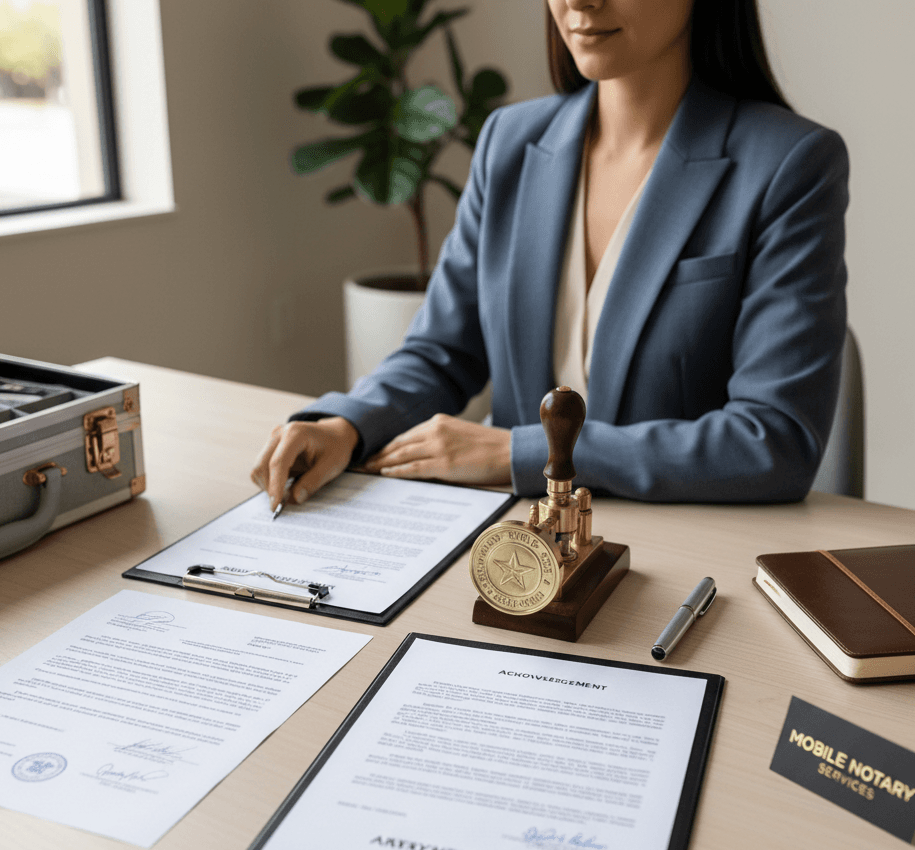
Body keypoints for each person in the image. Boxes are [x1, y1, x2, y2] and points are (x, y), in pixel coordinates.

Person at [252, 0, 848, 508]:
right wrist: (347, 424)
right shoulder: (509, 142)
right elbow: (441, 352)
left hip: (678, 550)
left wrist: (524, 453)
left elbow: (776, 440)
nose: (580, 0)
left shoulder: (789, 165)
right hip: (511, 542)